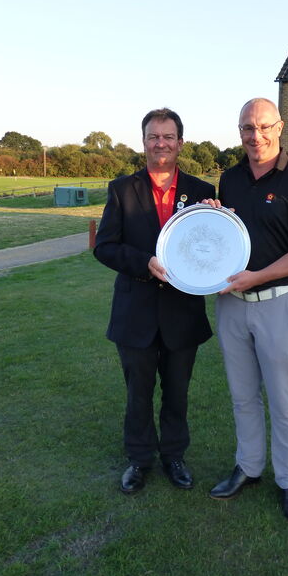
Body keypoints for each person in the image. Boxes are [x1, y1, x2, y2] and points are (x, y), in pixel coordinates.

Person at [207, 98, 288, 523]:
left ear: (279, 127)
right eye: (246, 128)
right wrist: (214, 221)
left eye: (262, 127)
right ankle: (249, 466)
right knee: (242, 396)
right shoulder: (230, 178)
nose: (254, 136)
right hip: (232, 305)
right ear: (239, 132)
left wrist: (256, 278)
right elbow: (230, 238)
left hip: (277, 304)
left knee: (281, 398)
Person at [94, 108, 216, 494]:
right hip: (136, 312)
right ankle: (139, 459)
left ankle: (174, 457)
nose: (160, 143)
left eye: (168, 136)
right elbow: (106, 247)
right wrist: (144, 263)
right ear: (143, 141)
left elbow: (213, 248)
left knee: (177, 392)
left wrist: (218, 222)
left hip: (183, 313)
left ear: (181, 142)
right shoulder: (122, 190)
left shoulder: (202, 192)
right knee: (138, 394)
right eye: (153, 136)